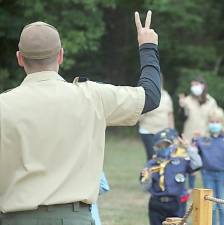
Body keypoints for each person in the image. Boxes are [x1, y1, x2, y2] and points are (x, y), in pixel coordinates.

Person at [0, 11, 159, 224]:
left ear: (20, 58)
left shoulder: (4, 105)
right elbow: (150, 96)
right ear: (60, 55)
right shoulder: (92, 96)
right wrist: (147, 46)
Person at [140, 129, 202, 225]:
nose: (164, 148)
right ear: (155, 147)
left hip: (177, 202)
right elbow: (144, 187)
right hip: (157, 203)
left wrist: (188, 148)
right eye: (160, 146)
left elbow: (198, 164)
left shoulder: (181, 161)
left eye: (166, 145)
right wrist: (147, 179)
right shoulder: (151, 164)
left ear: (172, 145)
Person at [194, 107, 224, 225]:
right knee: (210, 205)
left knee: (222, 205)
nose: (214, 124)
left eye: (217, 122)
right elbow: (195, 155)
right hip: (207, 174)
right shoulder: (202, 140)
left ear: (222, 123)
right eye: (212, 122)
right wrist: (194, 140)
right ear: (208, 123)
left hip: (223, 175)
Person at [179, 76, 219, 193]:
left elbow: (215, 118)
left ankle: (206, 186)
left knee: (204, 162)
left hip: (205, 136)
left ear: (203, 85)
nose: (194, 87)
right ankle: (190, 187)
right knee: (191, 161)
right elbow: (182, 118)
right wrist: (181, 108)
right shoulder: (187, 100)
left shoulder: (211, 101)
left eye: (196, 84)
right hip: (190, 136)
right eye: (192, 85)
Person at [139, 73, 174, 160]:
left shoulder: (166, 96)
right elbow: (138, 116)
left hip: (163, 132)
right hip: (147, 131)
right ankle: (148, 173)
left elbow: (170, 114)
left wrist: (172, 131)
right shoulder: (144, 94)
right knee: (152, 157)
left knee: (164, 157)